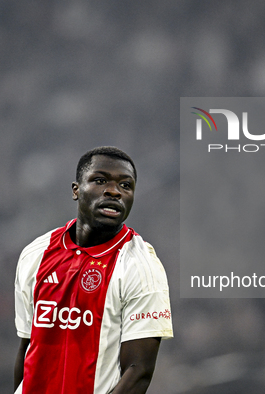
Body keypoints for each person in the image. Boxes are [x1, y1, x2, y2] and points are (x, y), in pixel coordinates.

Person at [13, 146, 173, 394]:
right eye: (100, 181)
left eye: (125, 186)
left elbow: (138, 371)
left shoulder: (141, 266)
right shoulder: (35, 254)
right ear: (76, 190)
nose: (114, 191)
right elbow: (27, 348)